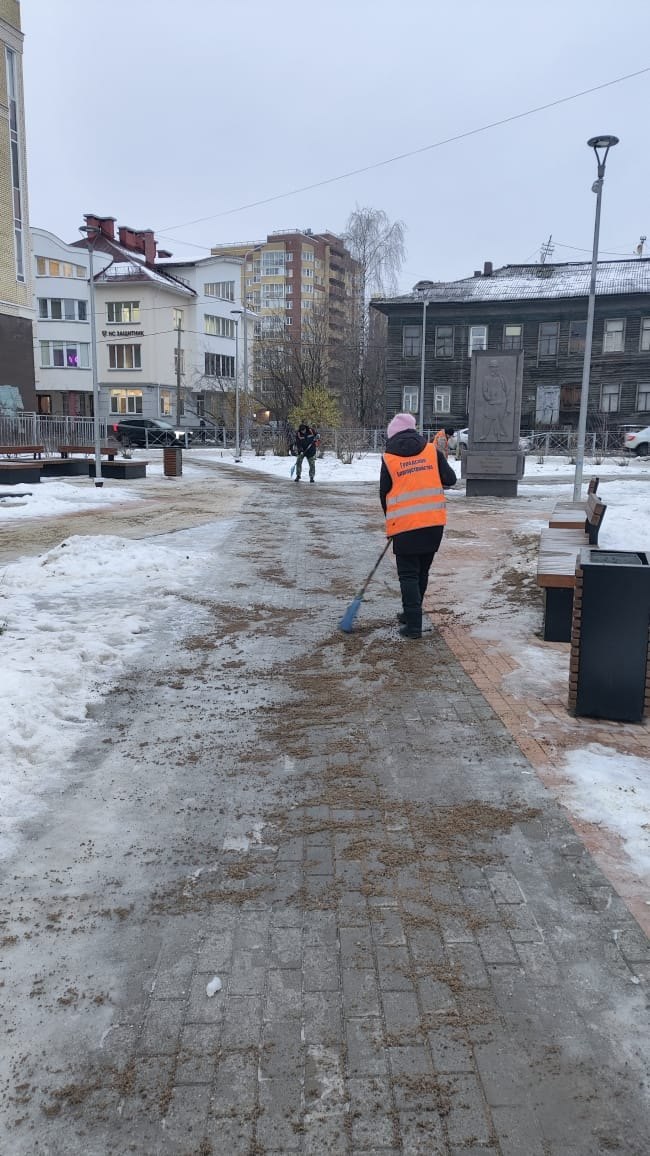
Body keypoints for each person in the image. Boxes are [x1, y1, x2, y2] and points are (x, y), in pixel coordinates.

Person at [380, 412, 456, 639]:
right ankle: (410, 614)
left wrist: (392, 522)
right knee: (421, 571)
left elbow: (384, 493)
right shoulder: (431, 451)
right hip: (433, 524)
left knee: (408, 575)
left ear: (392, 435)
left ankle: (413, 625)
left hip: (405, 526)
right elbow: (450, 479)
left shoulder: (389, 458)